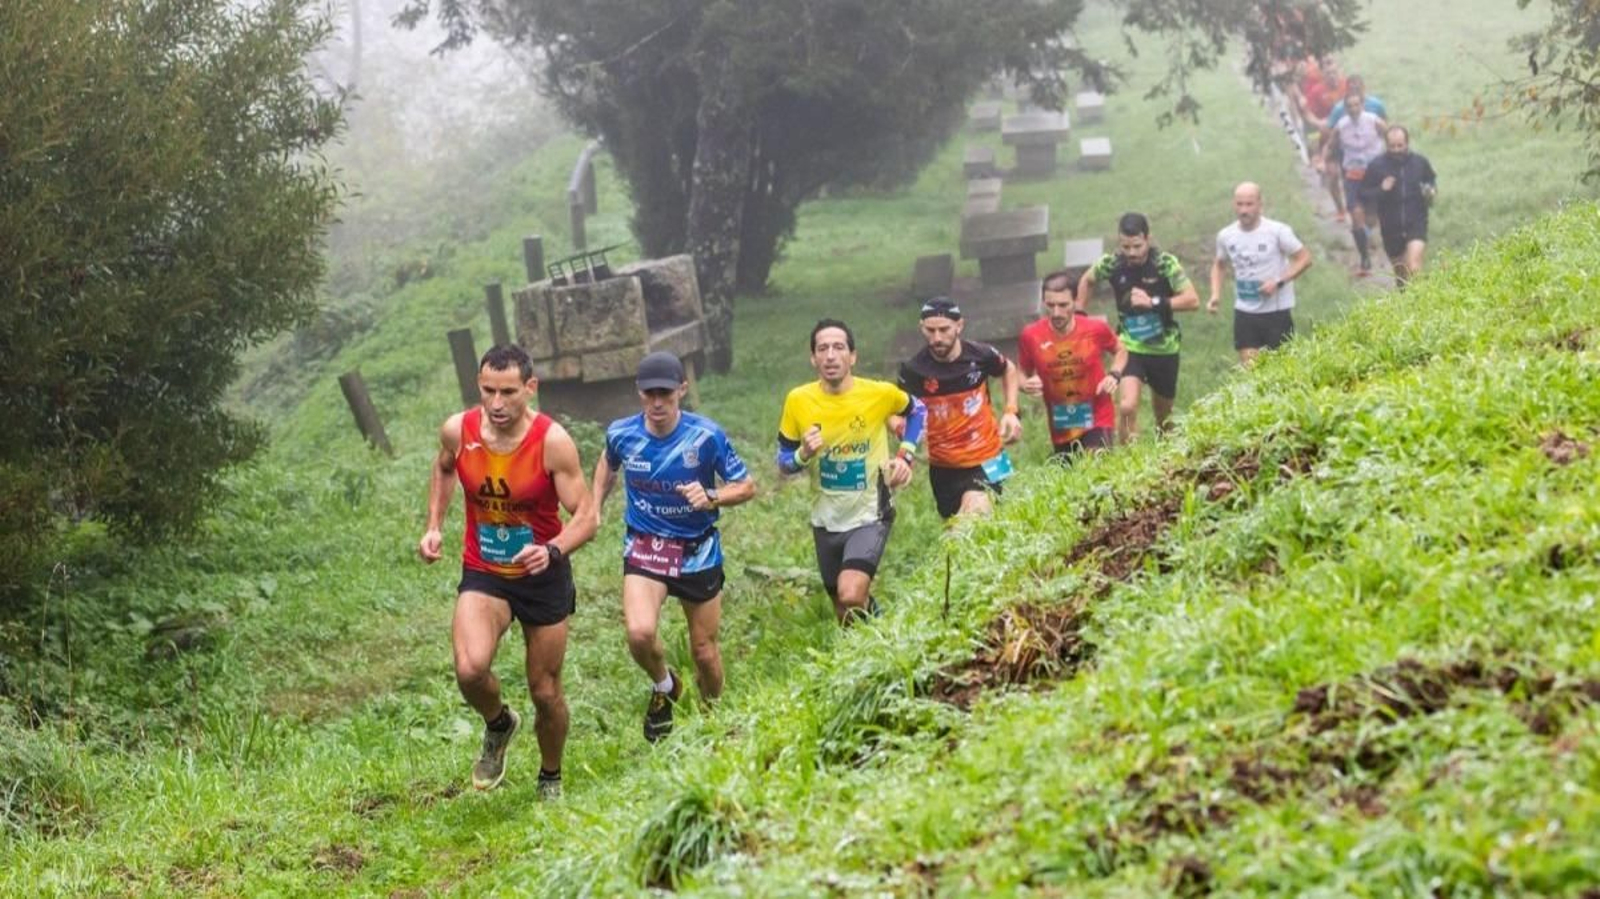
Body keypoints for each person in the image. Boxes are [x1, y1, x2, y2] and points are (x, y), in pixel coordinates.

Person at [418, 344, 596, 797]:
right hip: (486, 570)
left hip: (542, 575)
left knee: (545, 691)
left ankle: (550, 777)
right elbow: (443, 469)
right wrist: (434, 526)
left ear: (530, 388)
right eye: (488, 391)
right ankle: (499, 724)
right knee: (470, 670)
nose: (497, 404)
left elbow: (587, 516)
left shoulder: (551, 441)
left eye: (509, 393)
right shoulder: (459, 431)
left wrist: (552, 550)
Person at [591, 352, 756, 743]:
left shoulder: (706, 436)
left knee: (704, 652)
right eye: (649, 394)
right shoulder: (622, 434)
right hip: (646, 548)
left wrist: (712, 495)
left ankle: (712, 722)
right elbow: (607, 464)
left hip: (698, 551)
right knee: (639, 633)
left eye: (665, 393)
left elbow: (747, 485)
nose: (657, 403)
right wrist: (593, 506)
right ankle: (665, 686)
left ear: (682, 389)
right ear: (639, 393)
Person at [777, 319, 926, 624]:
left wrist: (905, 456)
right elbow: (783, 462)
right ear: (813, 358)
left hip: (871, 513)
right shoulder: (798, 400)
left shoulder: (879, 394)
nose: (831, 355)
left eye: (838, 347)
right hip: (826, 517)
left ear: (852, 357)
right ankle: (873, 648)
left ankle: (885, 630)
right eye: (823, 349)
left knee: (852, 593)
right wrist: (803, 454)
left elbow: (918, 411)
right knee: (843, 611)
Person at [1074, 213, 1199, 444]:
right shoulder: (1111, 264)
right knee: (1127, 406)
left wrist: (1154, 302)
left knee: (1164, 419)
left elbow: (1192, 300)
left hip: (1164, 349)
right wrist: (1080, 312)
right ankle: (1132, 463)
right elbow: (1087, 280)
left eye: (1137, 246)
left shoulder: (1164, 263)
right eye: (1126, 247)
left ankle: (1166, 460)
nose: (1131, 253)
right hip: (1130, 346)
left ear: (1148, 239)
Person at [896, 298, 1022, 519]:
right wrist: (901, 429)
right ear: (921, 328)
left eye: (944, 330)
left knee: (972, 518)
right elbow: (895, 409)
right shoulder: (913, 370)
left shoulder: (981, 355)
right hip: (943, 467)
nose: (937, 338)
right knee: (960, 530)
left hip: (988, 458)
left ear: (959, 326)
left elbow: (1008, 370)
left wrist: (1011, 412)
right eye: (930, 330)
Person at [1018, 271, 1127, 459]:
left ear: (1076, 301)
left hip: (1097, 416)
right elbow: (1021, 372)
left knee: (1096, 466)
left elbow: (1120, 349)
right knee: (1072, 479)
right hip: (1062, 424)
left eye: (1063, 305)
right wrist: (1025, 385)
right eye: (1050, 305)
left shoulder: (1094, 329)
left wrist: (1114, 374)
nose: (1056, 313)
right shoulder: (1031, 335)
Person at [1208, 182, 1314, 366]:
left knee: (1282, 370)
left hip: (1276, 312)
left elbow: (1305, 258)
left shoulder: (1277, 231)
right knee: (1252, 371)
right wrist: (1215, 295)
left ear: (1260, 204)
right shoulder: (1226, 235)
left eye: (1249, 204)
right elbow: (1219, 265)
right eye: (1239, 204)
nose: (1244, 210)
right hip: (1245, 312)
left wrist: (1278, 281)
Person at [1361, 125, 1438, 287]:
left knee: (1414, 267)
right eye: (1392, 146)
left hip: (1416, 221)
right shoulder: (1377, 166)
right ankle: (1406, 302)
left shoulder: (1420, 162)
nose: (1396, 150)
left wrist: (1430, 192)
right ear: (1386, 145)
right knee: (1402, 275)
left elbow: (1431, 182)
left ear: (1407, 143)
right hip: (1390, 226)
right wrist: (1381, 189)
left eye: (1400, 146)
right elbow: (1364, 194)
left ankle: (1422, 302)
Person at [1321, 91, 1388, 274]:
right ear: (1345, 108)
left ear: (1362, 105)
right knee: (1356, 216)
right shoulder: (1341, 126)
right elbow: (1331, 145)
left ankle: (1367, 234)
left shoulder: (1373, 121)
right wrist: (1324, 161)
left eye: (1356, 105)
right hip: (1353, 176)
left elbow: (1390, 137)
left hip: (1374, 176)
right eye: (1349, 106)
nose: (1353, 109)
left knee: (1371, 218)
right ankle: (1365, 258)